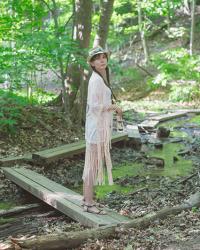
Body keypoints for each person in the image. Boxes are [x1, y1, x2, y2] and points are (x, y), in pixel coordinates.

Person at [82, 46, 122, 214]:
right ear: (91, 63)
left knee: (92, 164)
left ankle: (87, 200)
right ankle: (89, 203)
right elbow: (94, 106)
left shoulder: (101, 77)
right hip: (95, 129)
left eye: (103, 57)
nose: (102, 60)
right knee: (91, 165)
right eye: (97, 58)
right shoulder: (96, 80)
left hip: (99, 127)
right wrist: (113, 106)